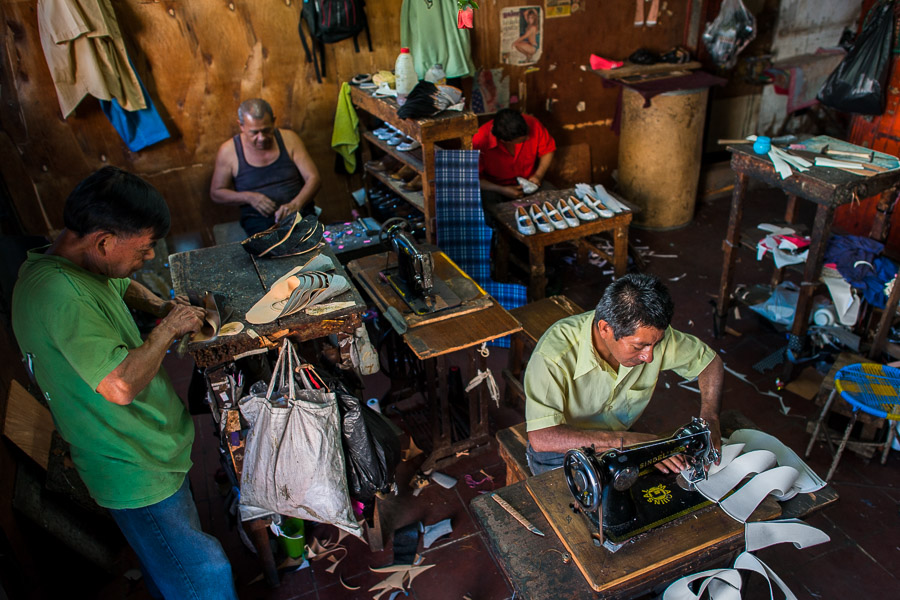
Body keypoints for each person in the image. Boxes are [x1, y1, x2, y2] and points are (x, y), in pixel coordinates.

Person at [12, 167, 239, 599]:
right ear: (103, 241)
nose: (150, 257)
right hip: (132, 466)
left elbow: (116, 284)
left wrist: (160, 305)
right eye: (145, 248)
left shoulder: (70, 262)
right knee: (203, 575)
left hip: (149, 450)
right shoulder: (59, 296)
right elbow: (119, 387)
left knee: (168, 565)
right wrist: (168, 328)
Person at [524, 273, 724, 476]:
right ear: (605, 329)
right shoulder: (554, 356)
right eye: (639, 346)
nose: (649, 357)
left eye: (656, 344)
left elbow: (709, 363)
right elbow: (542, 437)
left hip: (620, 440)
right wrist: (628, 442)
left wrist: (710, 418)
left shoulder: (650, 336)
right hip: (561, 451)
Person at [211, 97, 321, 236]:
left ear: (274, 121)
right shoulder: (229, 151)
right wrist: (249, 197)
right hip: (257, 220)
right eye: (254, 132)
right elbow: (216, 193)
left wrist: (296, 204)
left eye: (266, 130)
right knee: (270, 250)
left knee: (309, 245)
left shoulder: (289, 139)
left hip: (298, 212)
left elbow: (314, 178)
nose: (262, 138)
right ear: (241, 126)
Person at [472, 108, 556, 213]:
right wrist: (502, 189)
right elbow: (474, 179)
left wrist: (538, 175)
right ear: (504, 141)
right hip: (496, 188)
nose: (529, 138)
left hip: (530, 182)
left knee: (554, 197)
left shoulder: (532, 122)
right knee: (488, 208)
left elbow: (548, 151)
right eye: (523, 139)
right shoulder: (479, 140)